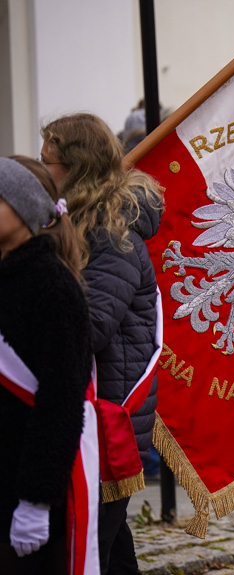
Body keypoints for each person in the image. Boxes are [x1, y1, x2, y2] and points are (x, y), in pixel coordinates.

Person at [41, 113, 164, 575]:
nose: (40, 171)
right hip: (91, 412)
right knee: (109, 548)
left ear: (75, 168)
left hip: (110, 414)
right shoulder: (76, 222)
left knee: (91, 547)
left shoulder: (113, 235)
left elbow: (91, 327)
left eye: (46, 162)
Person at [0, 156, 94, 573]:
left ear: (25, 210)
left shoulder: (52, 286)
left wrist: (35, 499)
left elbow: (60, 400)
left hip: (25, 485)